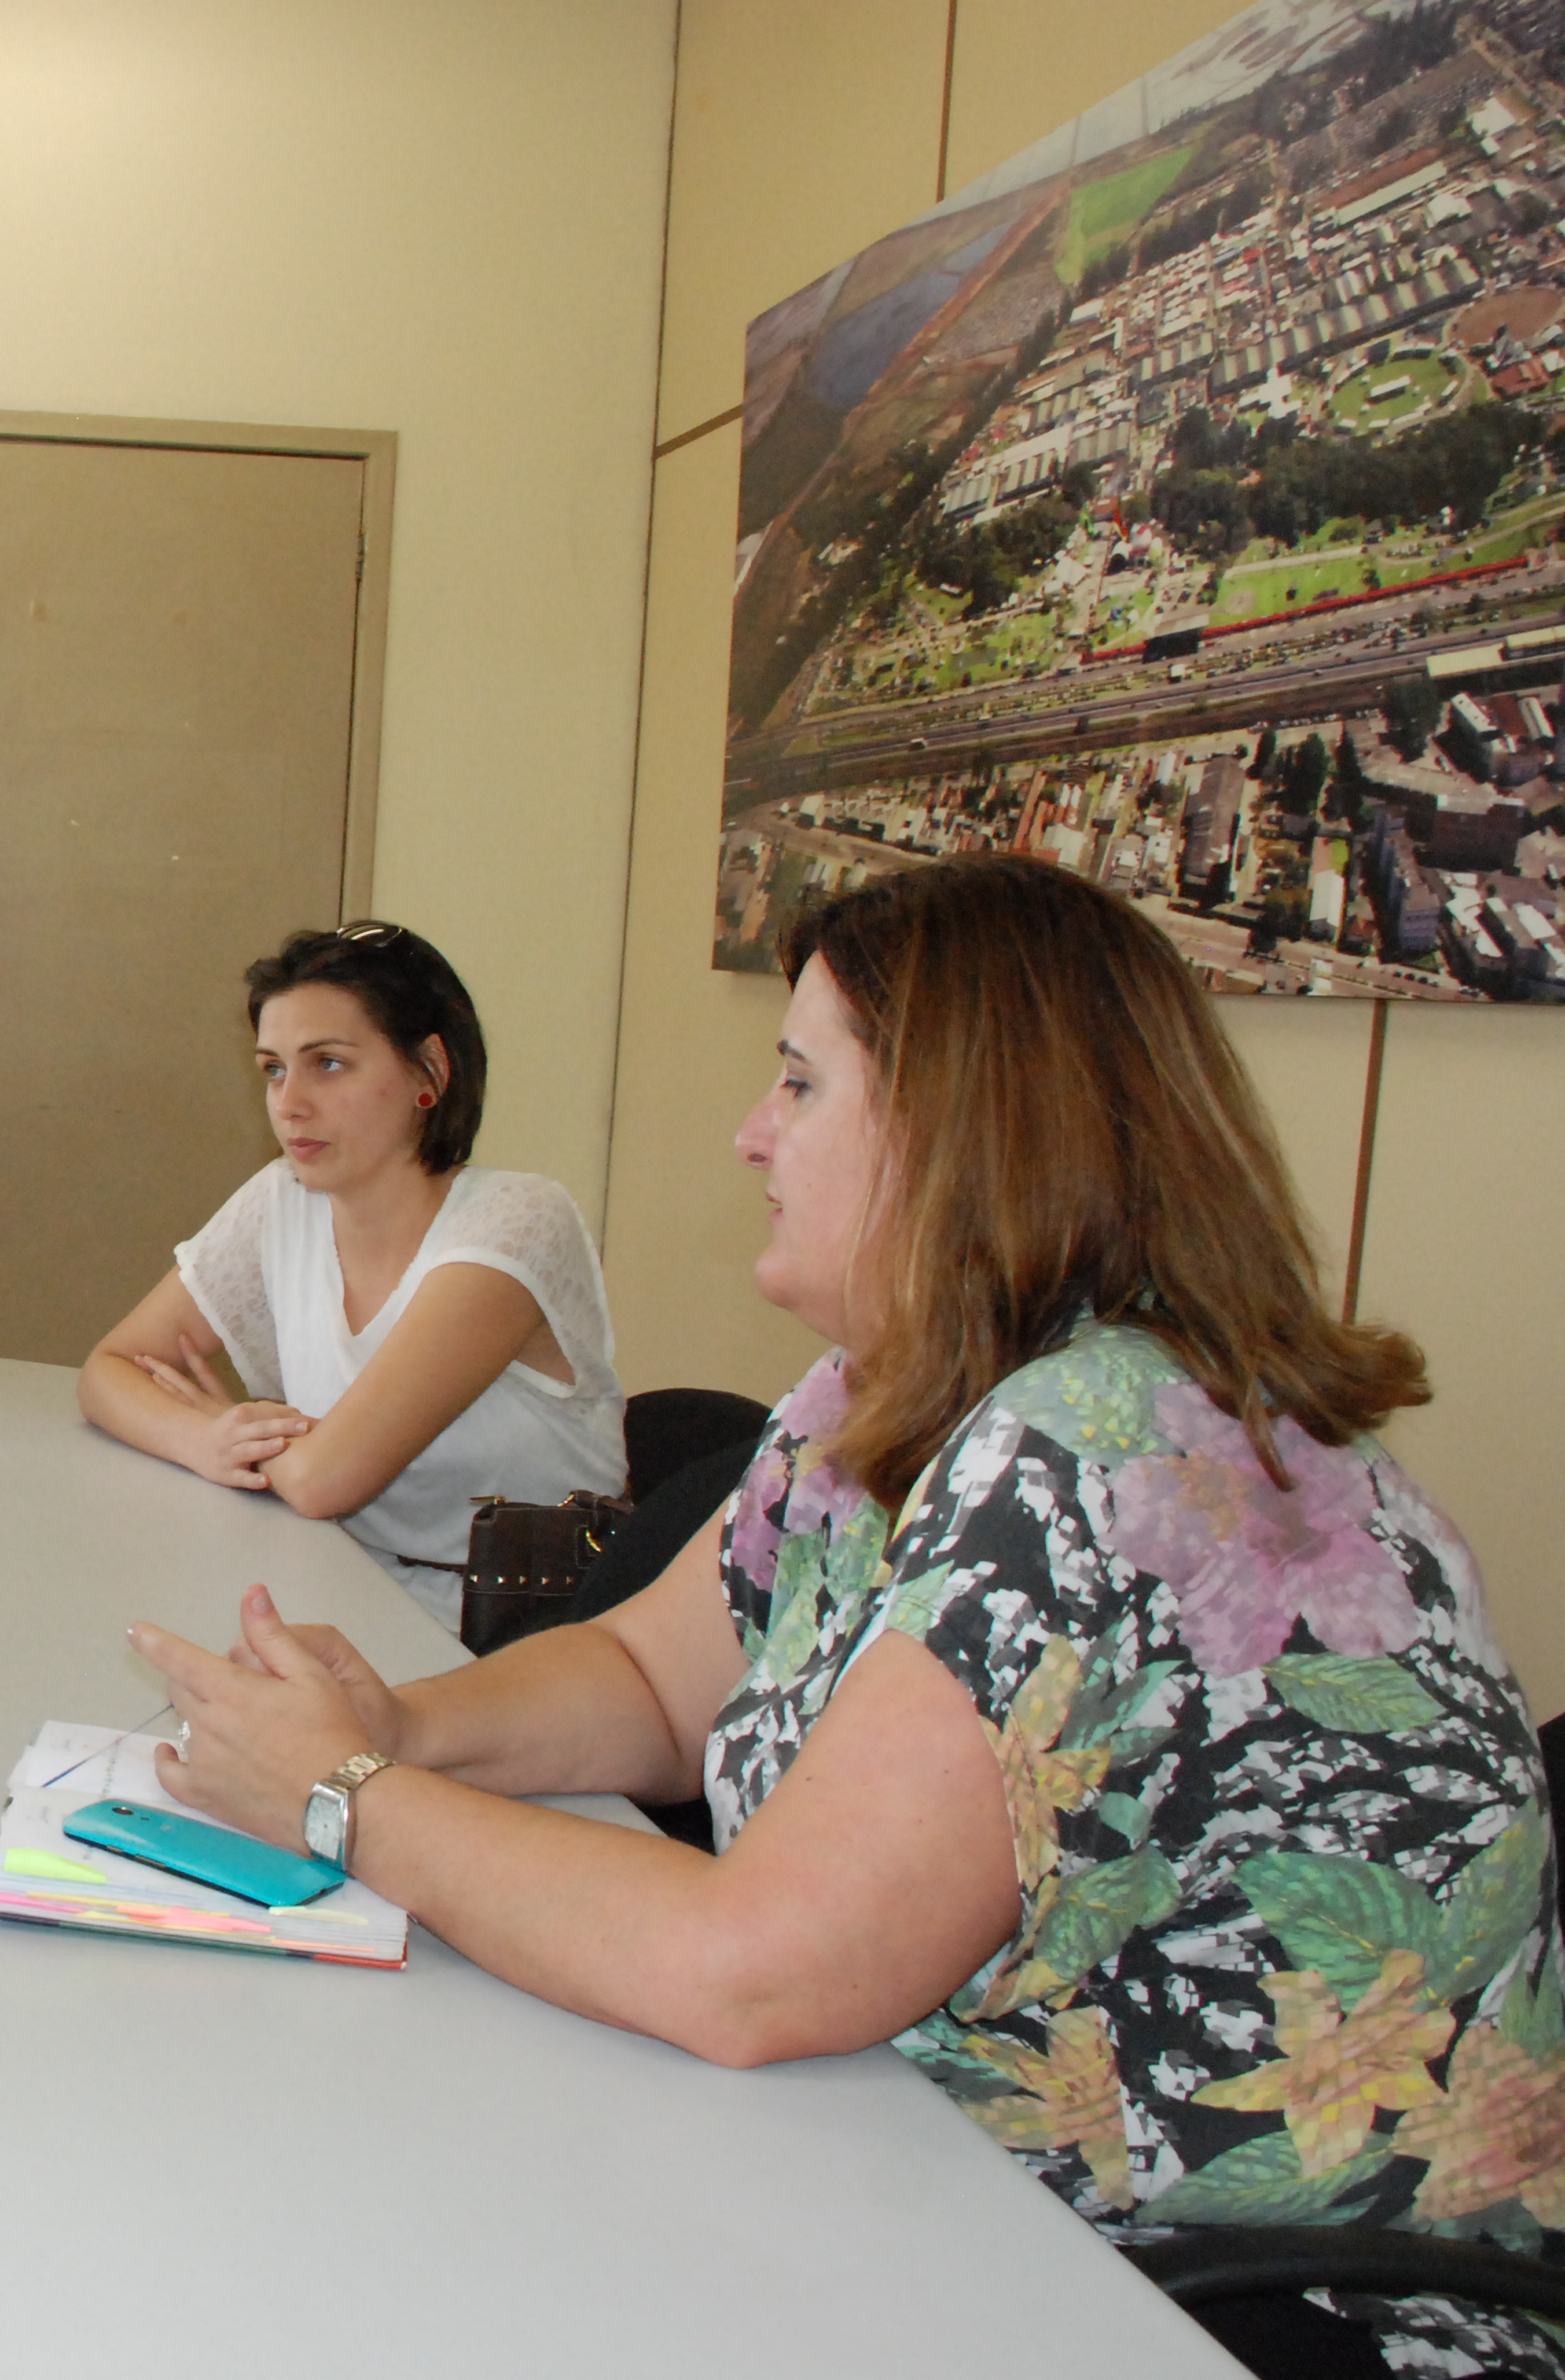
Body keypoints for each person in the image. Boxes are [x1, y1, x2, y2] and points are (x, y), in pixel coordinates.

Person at [130, 857, 1563, 2378]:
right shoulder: (881, 1390)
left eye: (801, 1087)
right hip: (965, 2193)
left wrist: (346, 1796)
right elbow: (653, 1675)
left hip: (1235, 2304)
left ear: (964, 1133)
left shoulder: (1106, 1444)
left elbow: (763, 1966)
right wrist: (405, 1724)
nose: (753, 1133)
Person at [80, 921, 624, 1632]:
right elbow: (110, 1370)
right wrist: (206, 1441)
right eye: (273, 1068)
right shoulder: (282, 1199)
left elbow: (325, 1480)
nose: (288, 1102)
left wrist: (233, 1426)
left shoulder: (519, 1220)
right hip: (348, 1588)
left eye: (328, 1064)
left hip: (521, 1627)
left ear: (430, 1070)